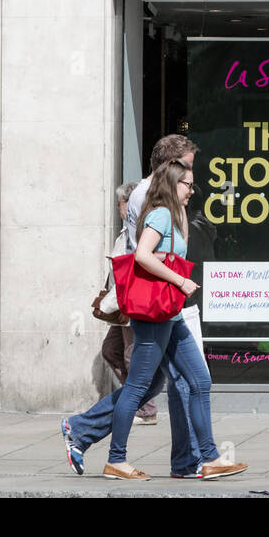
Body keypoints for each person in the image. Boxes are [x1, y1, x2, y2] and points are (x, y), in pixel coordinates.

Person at [61, 158, 247, 481]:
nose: (192, 190)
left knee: (200, 381)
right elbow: (142, 255)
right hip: (155, 316)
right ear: (173, 184)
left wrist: (169, 252)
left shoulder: (174, 214)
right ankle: (116, 460)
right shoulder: (160, 214)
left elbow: (166, 254)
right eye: (187, 184)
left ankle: (211, 458)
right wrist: (178, 280)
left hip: (172, 315)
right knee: (137, 387)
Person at [124, 133, 208, 474]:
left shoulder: (167, 202)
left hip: (169, 303)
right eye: (187, 172)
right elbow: (147, 254)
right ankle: (98, 442)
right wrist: (179, 280)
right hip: (161, 303)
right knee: (146, 385)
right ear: (171, 167)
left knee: (189, 382)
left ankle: (199, 459)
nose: (191, 183)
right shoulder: (155, 202)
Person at [99, 180, 158, 425]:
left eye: (120, 203)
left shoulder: (138, 232)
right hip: (120, 303)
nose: (118, 208)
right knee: (111, 350)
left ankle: (146, 409)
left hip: (132, 302)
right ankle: (134, 399)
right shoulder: (127, 231)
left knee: (132, 356)